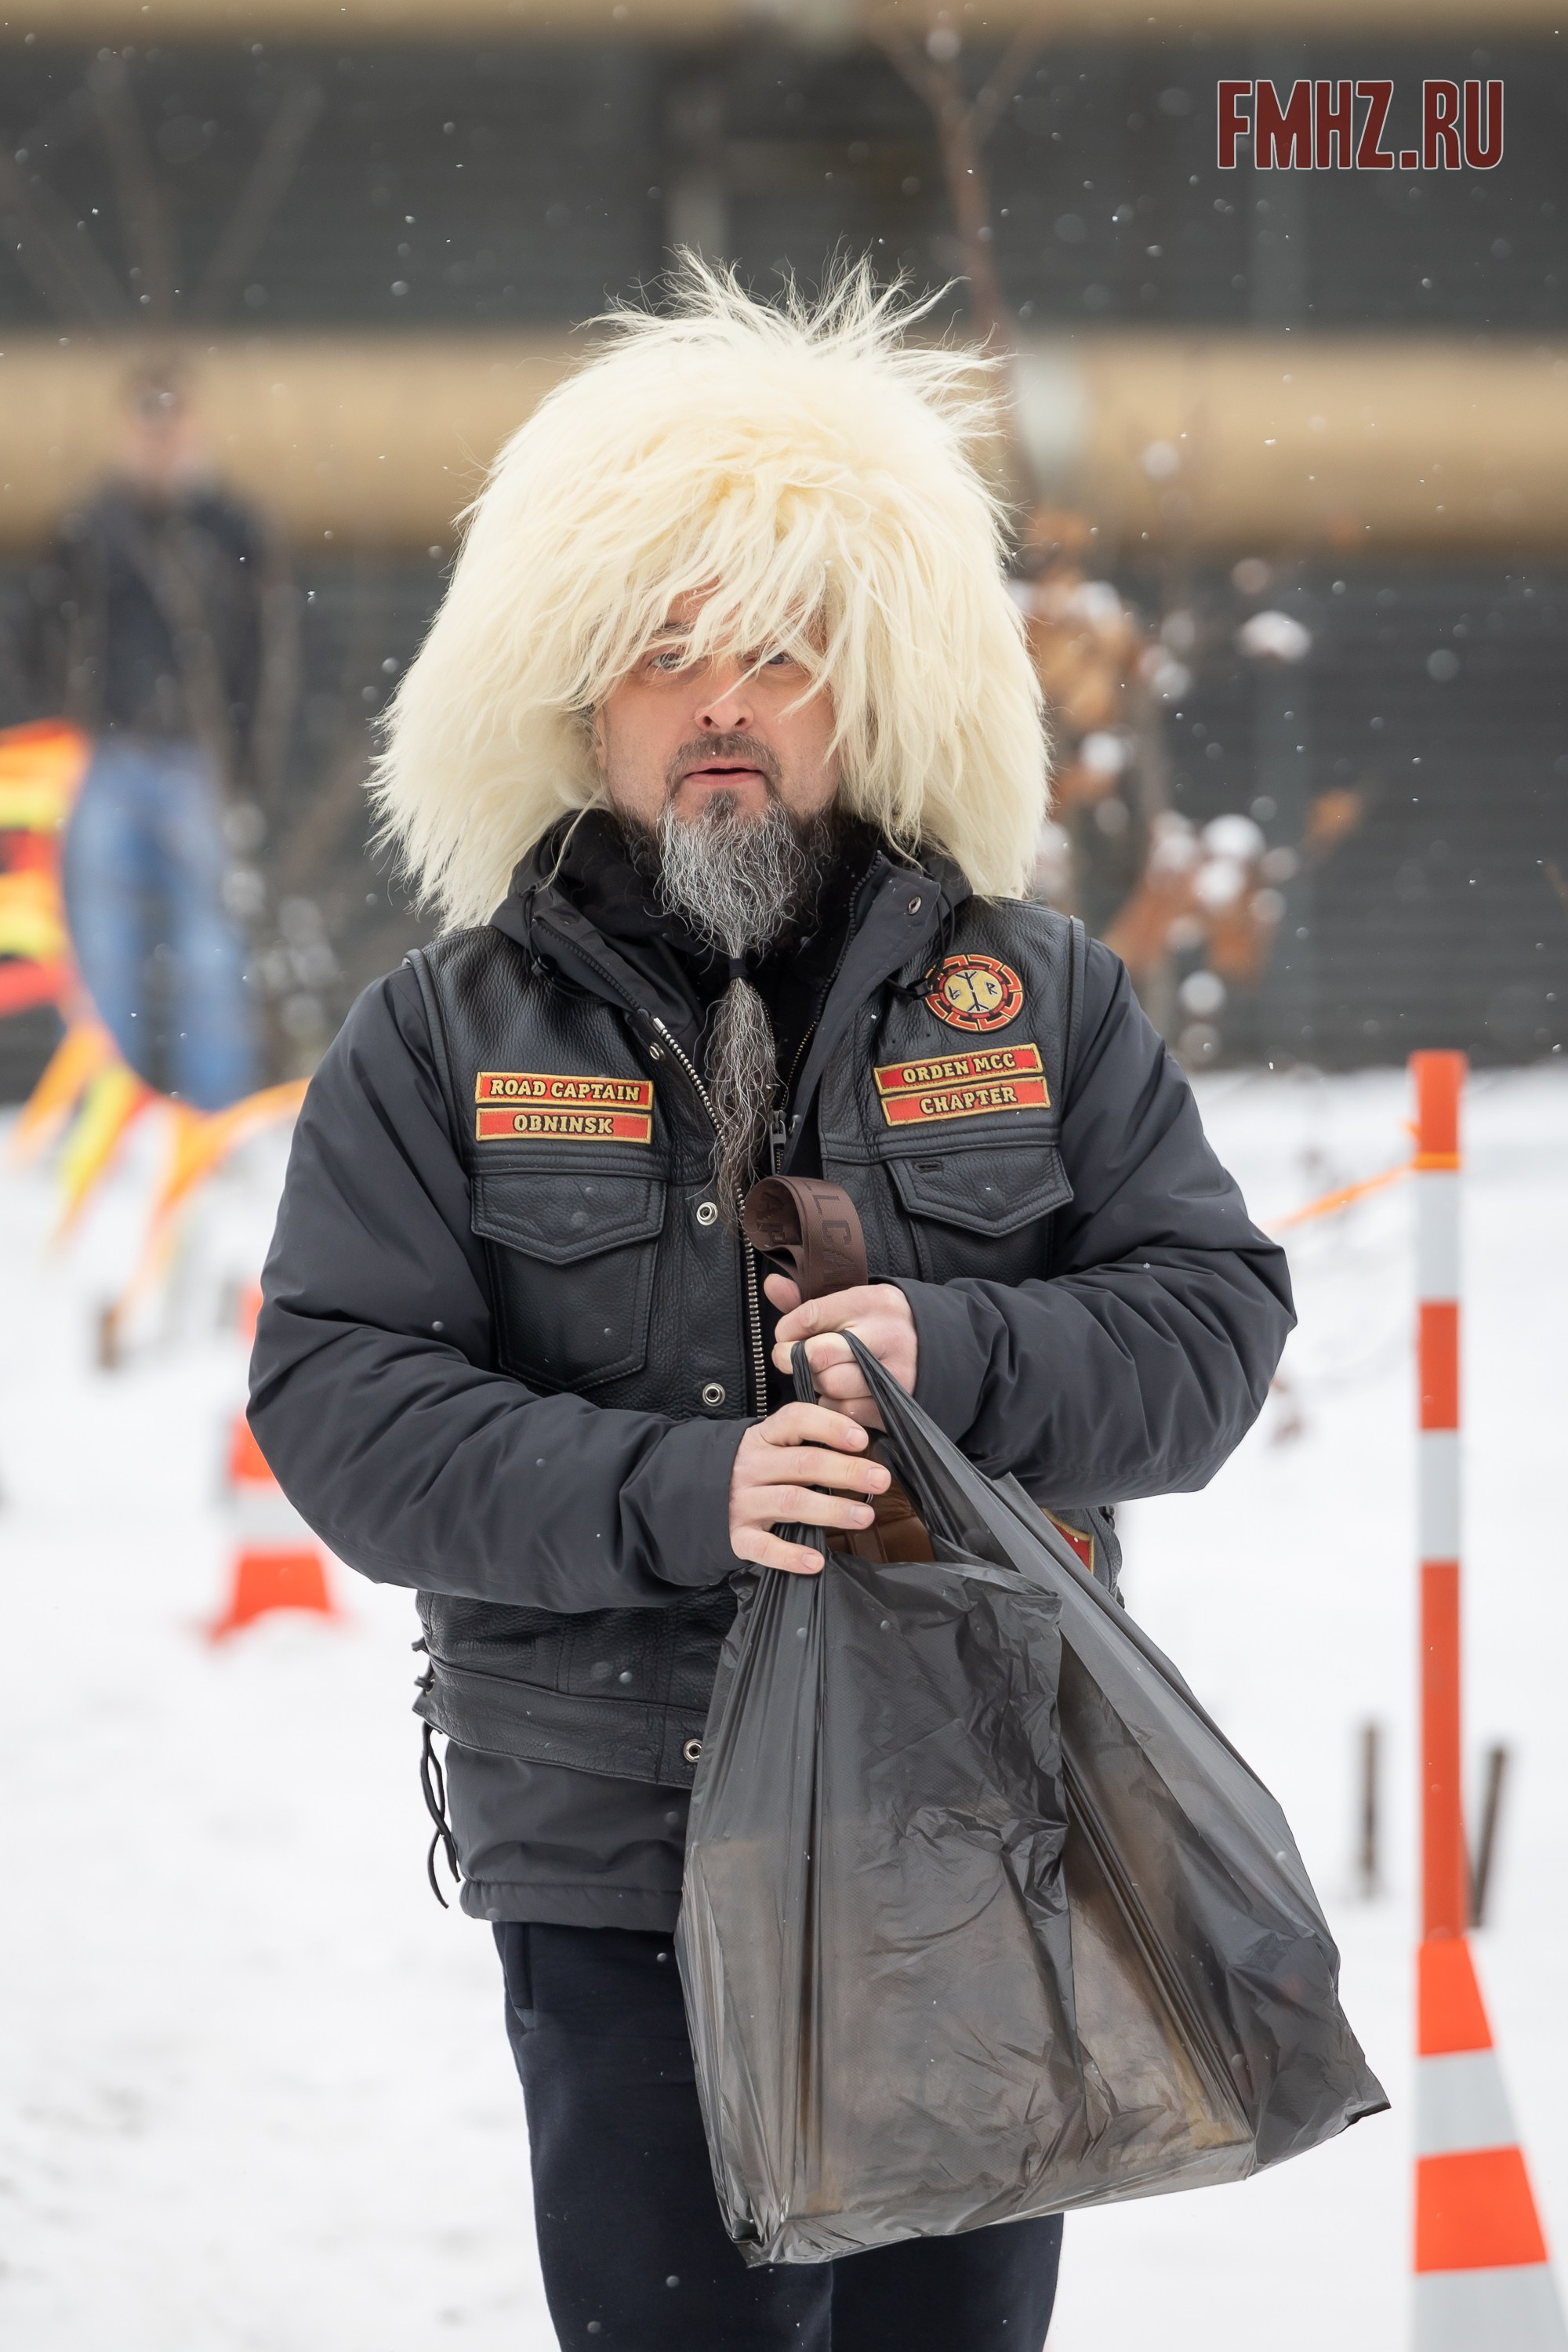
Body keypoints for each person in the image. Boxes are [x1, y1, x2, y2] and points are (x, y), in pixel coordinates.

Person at [249, 266, 1294, 2352]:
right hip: (618, 1865)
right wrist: (685, 1490)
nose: (720, 697)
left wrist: (969, 1353)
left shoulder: (1044, 997)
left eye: (781, 648)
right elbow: (340, 1405)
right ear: (575, 694)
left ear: (868, 683)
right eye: (661, 649)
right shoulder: (431, 1036)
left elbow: (1206, 1334)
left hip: (980, 1833)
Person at [20, 361, 290, 1107]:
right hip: (105, 758)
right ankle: (112, 1111)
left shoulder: (230, 529)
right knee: (103, 947)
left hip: (196, 764)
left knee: (211, 946)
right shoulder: (90, 529)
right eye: (148, 422)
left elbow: (261, 655)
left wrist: (242, 764)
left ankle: (213, 1114)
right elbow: (44, 636)